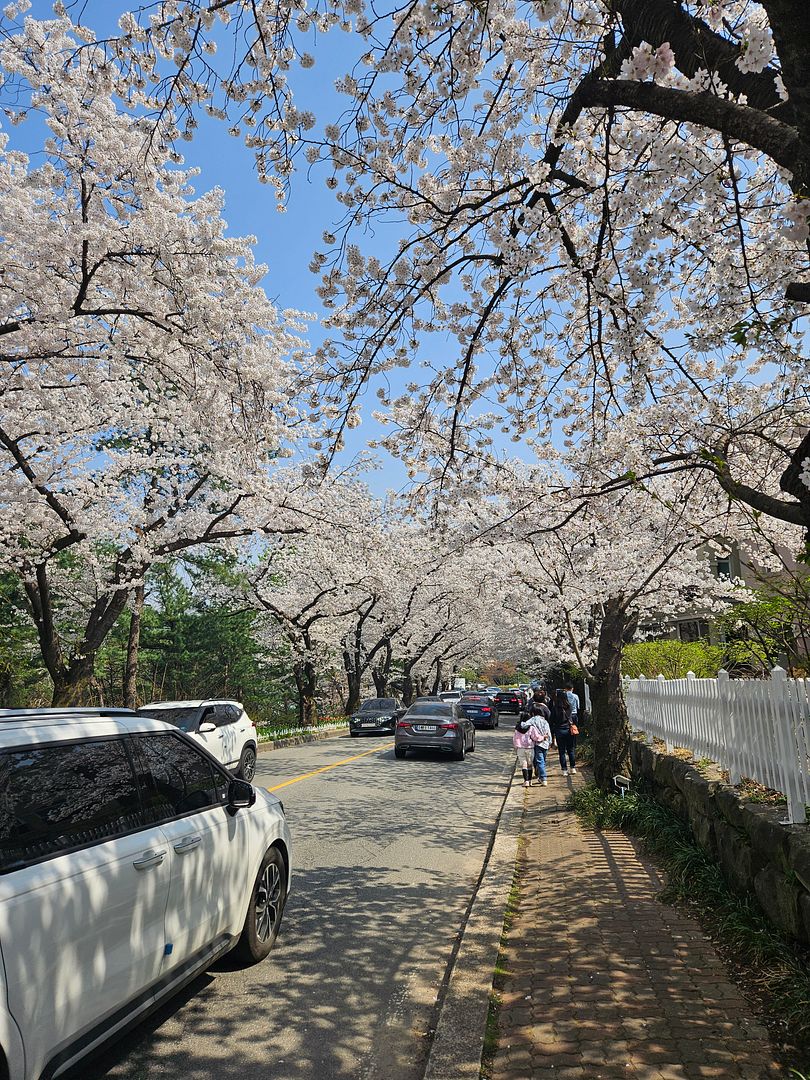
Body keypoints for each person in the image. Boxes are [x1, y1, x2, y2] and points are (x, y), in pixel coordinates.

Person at [525, 697, 552, 785]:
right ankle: (541, 776)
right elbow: (549, 732)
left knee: (539, 761)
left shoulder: (532, 720)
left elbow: (524, 725)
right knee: (543, 760)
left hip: (537, 743)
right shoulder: (545, 721)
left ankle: (543, 778)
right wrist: (550, 742)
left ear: (533, 712)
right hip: (545, 743)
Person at [513, 713, 543, 788]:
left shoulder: (517, 727)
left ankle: (525, 781)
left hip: (520, 748)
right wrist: (543, 737)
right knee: (530, 765)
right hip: (530, 748)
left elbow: (515, 739)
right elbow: (536, 737)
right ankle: (529, 781)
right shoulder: (531, 727)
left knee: (524, 765)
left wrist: (516, 747)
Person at [551, 688, 577, 776]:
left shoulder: (555, 708)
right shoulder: (569, 706)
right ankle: (573, 768)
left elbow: (552, 720)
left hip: (559, 730)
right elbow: (572, 717)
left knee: (561, 752)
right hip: (569, 730)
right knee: (571, 750)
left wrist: (552, 732)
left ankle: (564, 770)